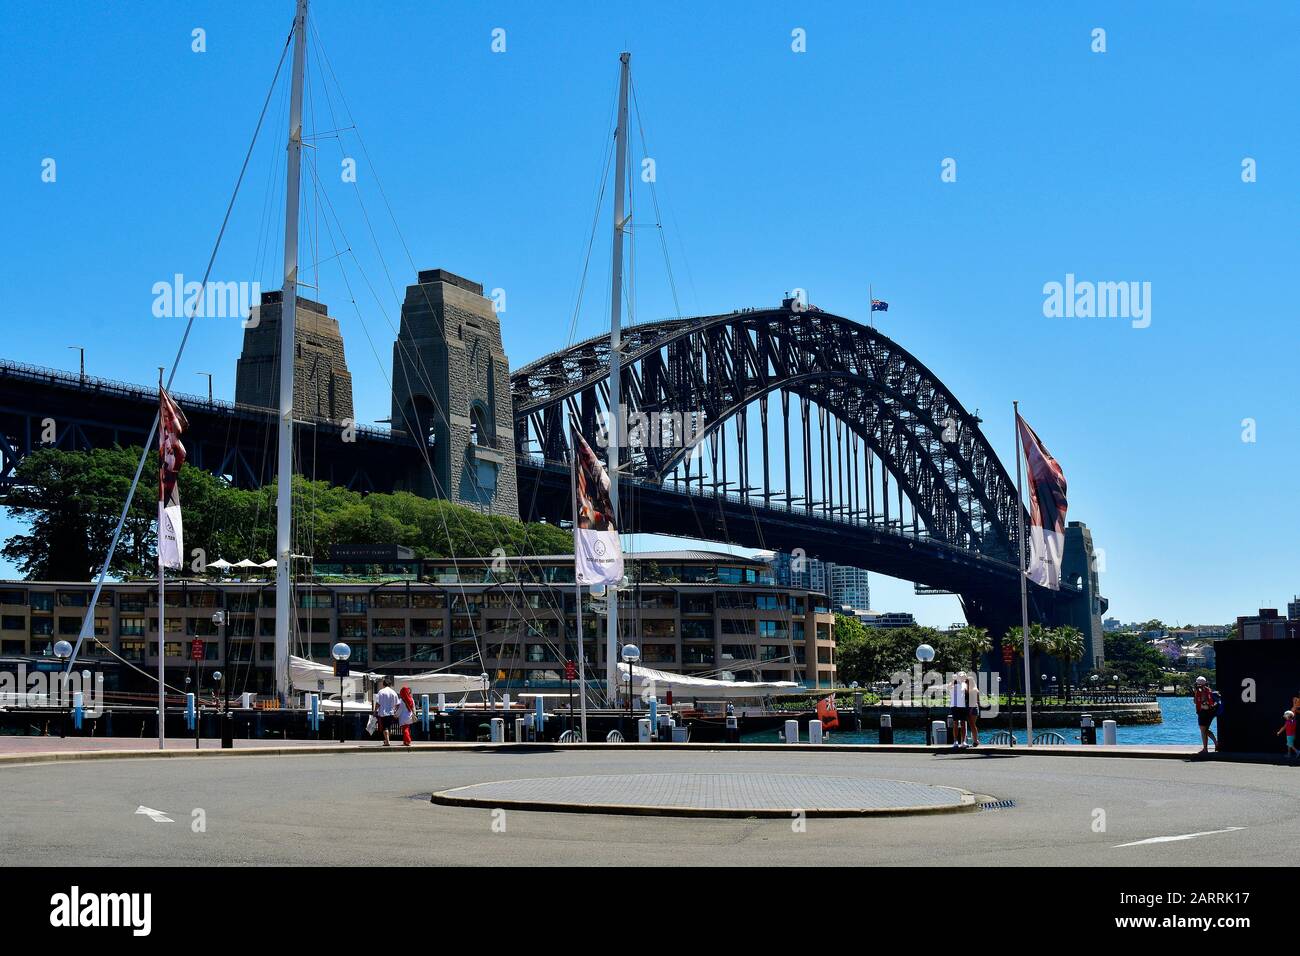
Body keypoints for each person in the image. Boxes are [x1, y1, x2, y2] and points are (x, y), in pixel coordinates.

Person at [1192, 675, 1217, 754]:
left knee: (1203, 730)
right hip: (1210, 712)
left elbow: (1196, 702)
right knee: (1206, 730)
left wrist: (1195, 693)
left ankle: (1205, 749)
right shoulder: (1208, 690)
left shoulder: (1199, 691)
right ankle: (1216, 743)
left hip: (1203, 712)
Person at [374, 677, 399, 747]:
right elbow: (398, 704)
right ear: (390, 685)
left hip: (383, 712)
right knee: (389, 727)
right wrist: (396, 711)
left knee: (385, 727)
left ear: (383, 684)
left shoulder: (381, 692)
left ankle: (387, 741)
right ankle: (386, 740)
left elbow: (378, 703)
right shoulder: (394, 692)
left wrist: (375, 711)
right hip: (391, 713)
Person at [948, 671, 968, 749]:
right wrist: (954, 680)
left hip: (962, 706)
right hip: (954, 706)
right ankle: (955, 741)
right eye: (962, 676)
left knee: (963, 724)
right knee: (955, 723)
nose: (963, 678)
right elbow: (948, 687)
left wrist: (961, 682)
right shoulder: (952, 683)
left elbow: (965, 689)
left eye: (964, 677)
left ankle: (963, 741)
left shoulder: (964, 684)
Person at [965, 673, 980, 748]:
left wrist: (970, 710)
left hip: (972, 708)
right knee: (972, 725)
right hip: (971, 708)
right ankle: (975, 740)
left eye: (967, 682)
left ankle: (976, 741)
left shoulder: (973, 690)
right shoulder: (971, 689)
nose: (965, 683)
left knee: (972, 725)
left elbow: (974, 701)